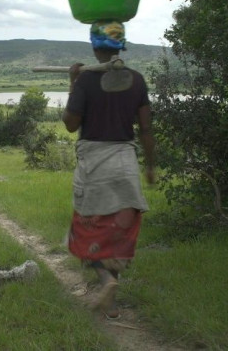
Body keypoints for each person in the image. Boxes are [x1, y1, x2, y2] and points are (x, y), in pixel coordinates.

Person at [62, 20, 156, 320]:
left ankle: (107, 282)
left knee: (85, 232)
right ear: (121, 46)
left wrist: (73, 83)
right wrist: (151, 166)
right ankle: (112, 302)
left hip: (96, 167)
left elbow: (71, 124)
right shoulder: (138, 81)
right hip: (126, 165)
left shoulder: (87, 82)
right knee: (119, 232)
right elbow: (146, 129)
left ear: (94, 47)